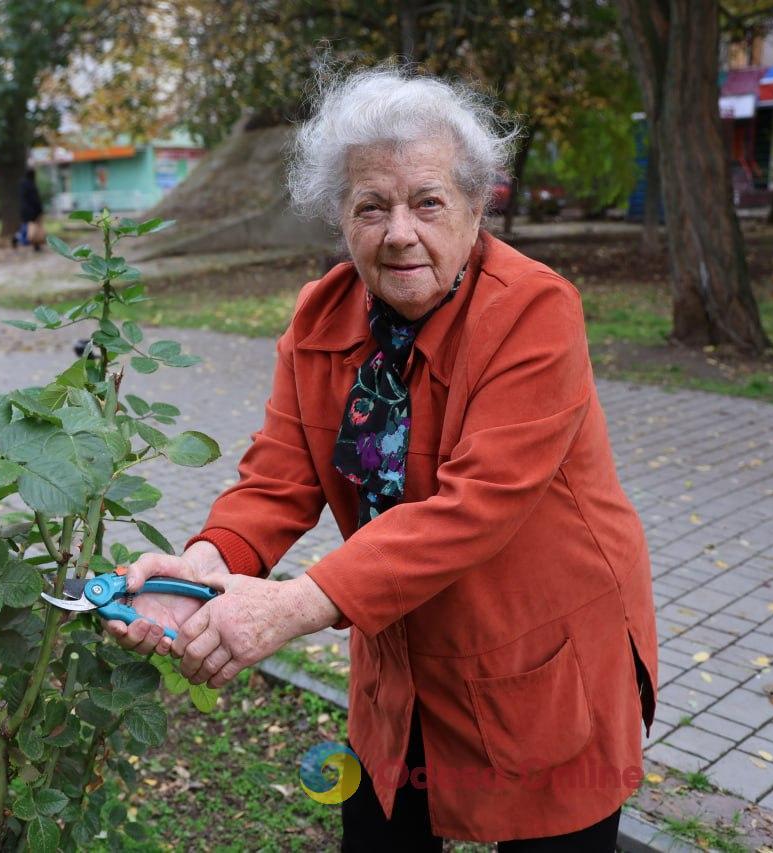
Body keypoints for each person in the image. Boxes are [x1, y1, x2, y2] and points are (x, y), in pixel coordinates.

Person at [102, 65, 658, 851]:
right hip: (397, 640)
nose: (400, 231)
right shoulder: (320, 313)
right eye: (372, 205)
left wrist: (289, 605)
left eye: (428, 201)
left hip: (539, 643)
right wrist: (202, 565)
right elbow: (278, 476)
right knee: (380, 831)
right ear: (341, 216)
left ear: (475, 206)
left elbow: (476, 508)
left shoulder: (535, 311)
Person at [15, 167, 43, 251]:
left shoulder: (21, 184)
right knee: (34, 228)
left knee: (25, 227)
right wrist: (39, 210)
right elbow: (35, 200)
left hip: (23, 210)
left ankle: (16, 238)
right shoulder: (31, 185)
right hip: (32, 211)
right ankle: (35, 244)